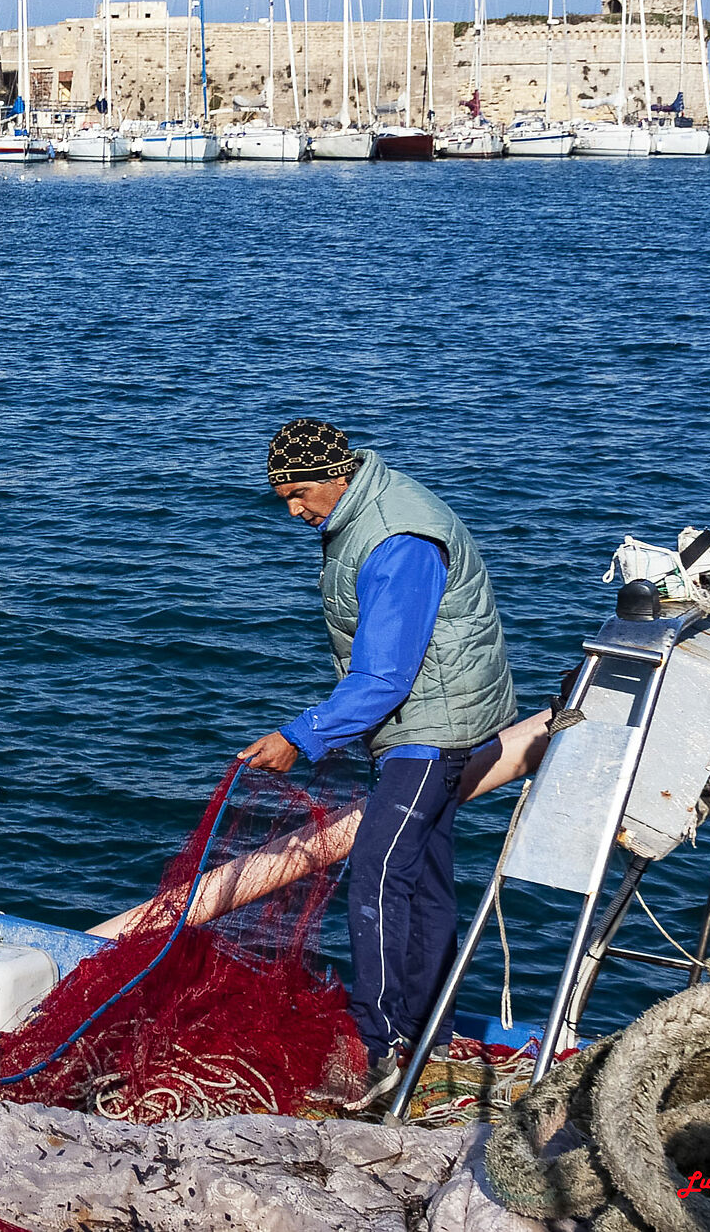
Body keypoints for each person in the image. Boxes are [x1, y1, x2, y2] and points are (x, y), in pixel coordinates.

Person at [238, 418, 518, 1106]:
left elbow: (385, 676)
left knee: (378, 872)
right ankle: (431, 1033)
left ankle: (381, 1046)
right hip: (435, 718)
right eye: (283, 498)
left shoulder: (397, 540)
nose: (293, 511)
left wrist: (300, 736)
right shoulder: (363, 510)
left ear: (338, 476)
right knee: (423, 878)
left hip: (433, 728)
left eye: (299, 494)